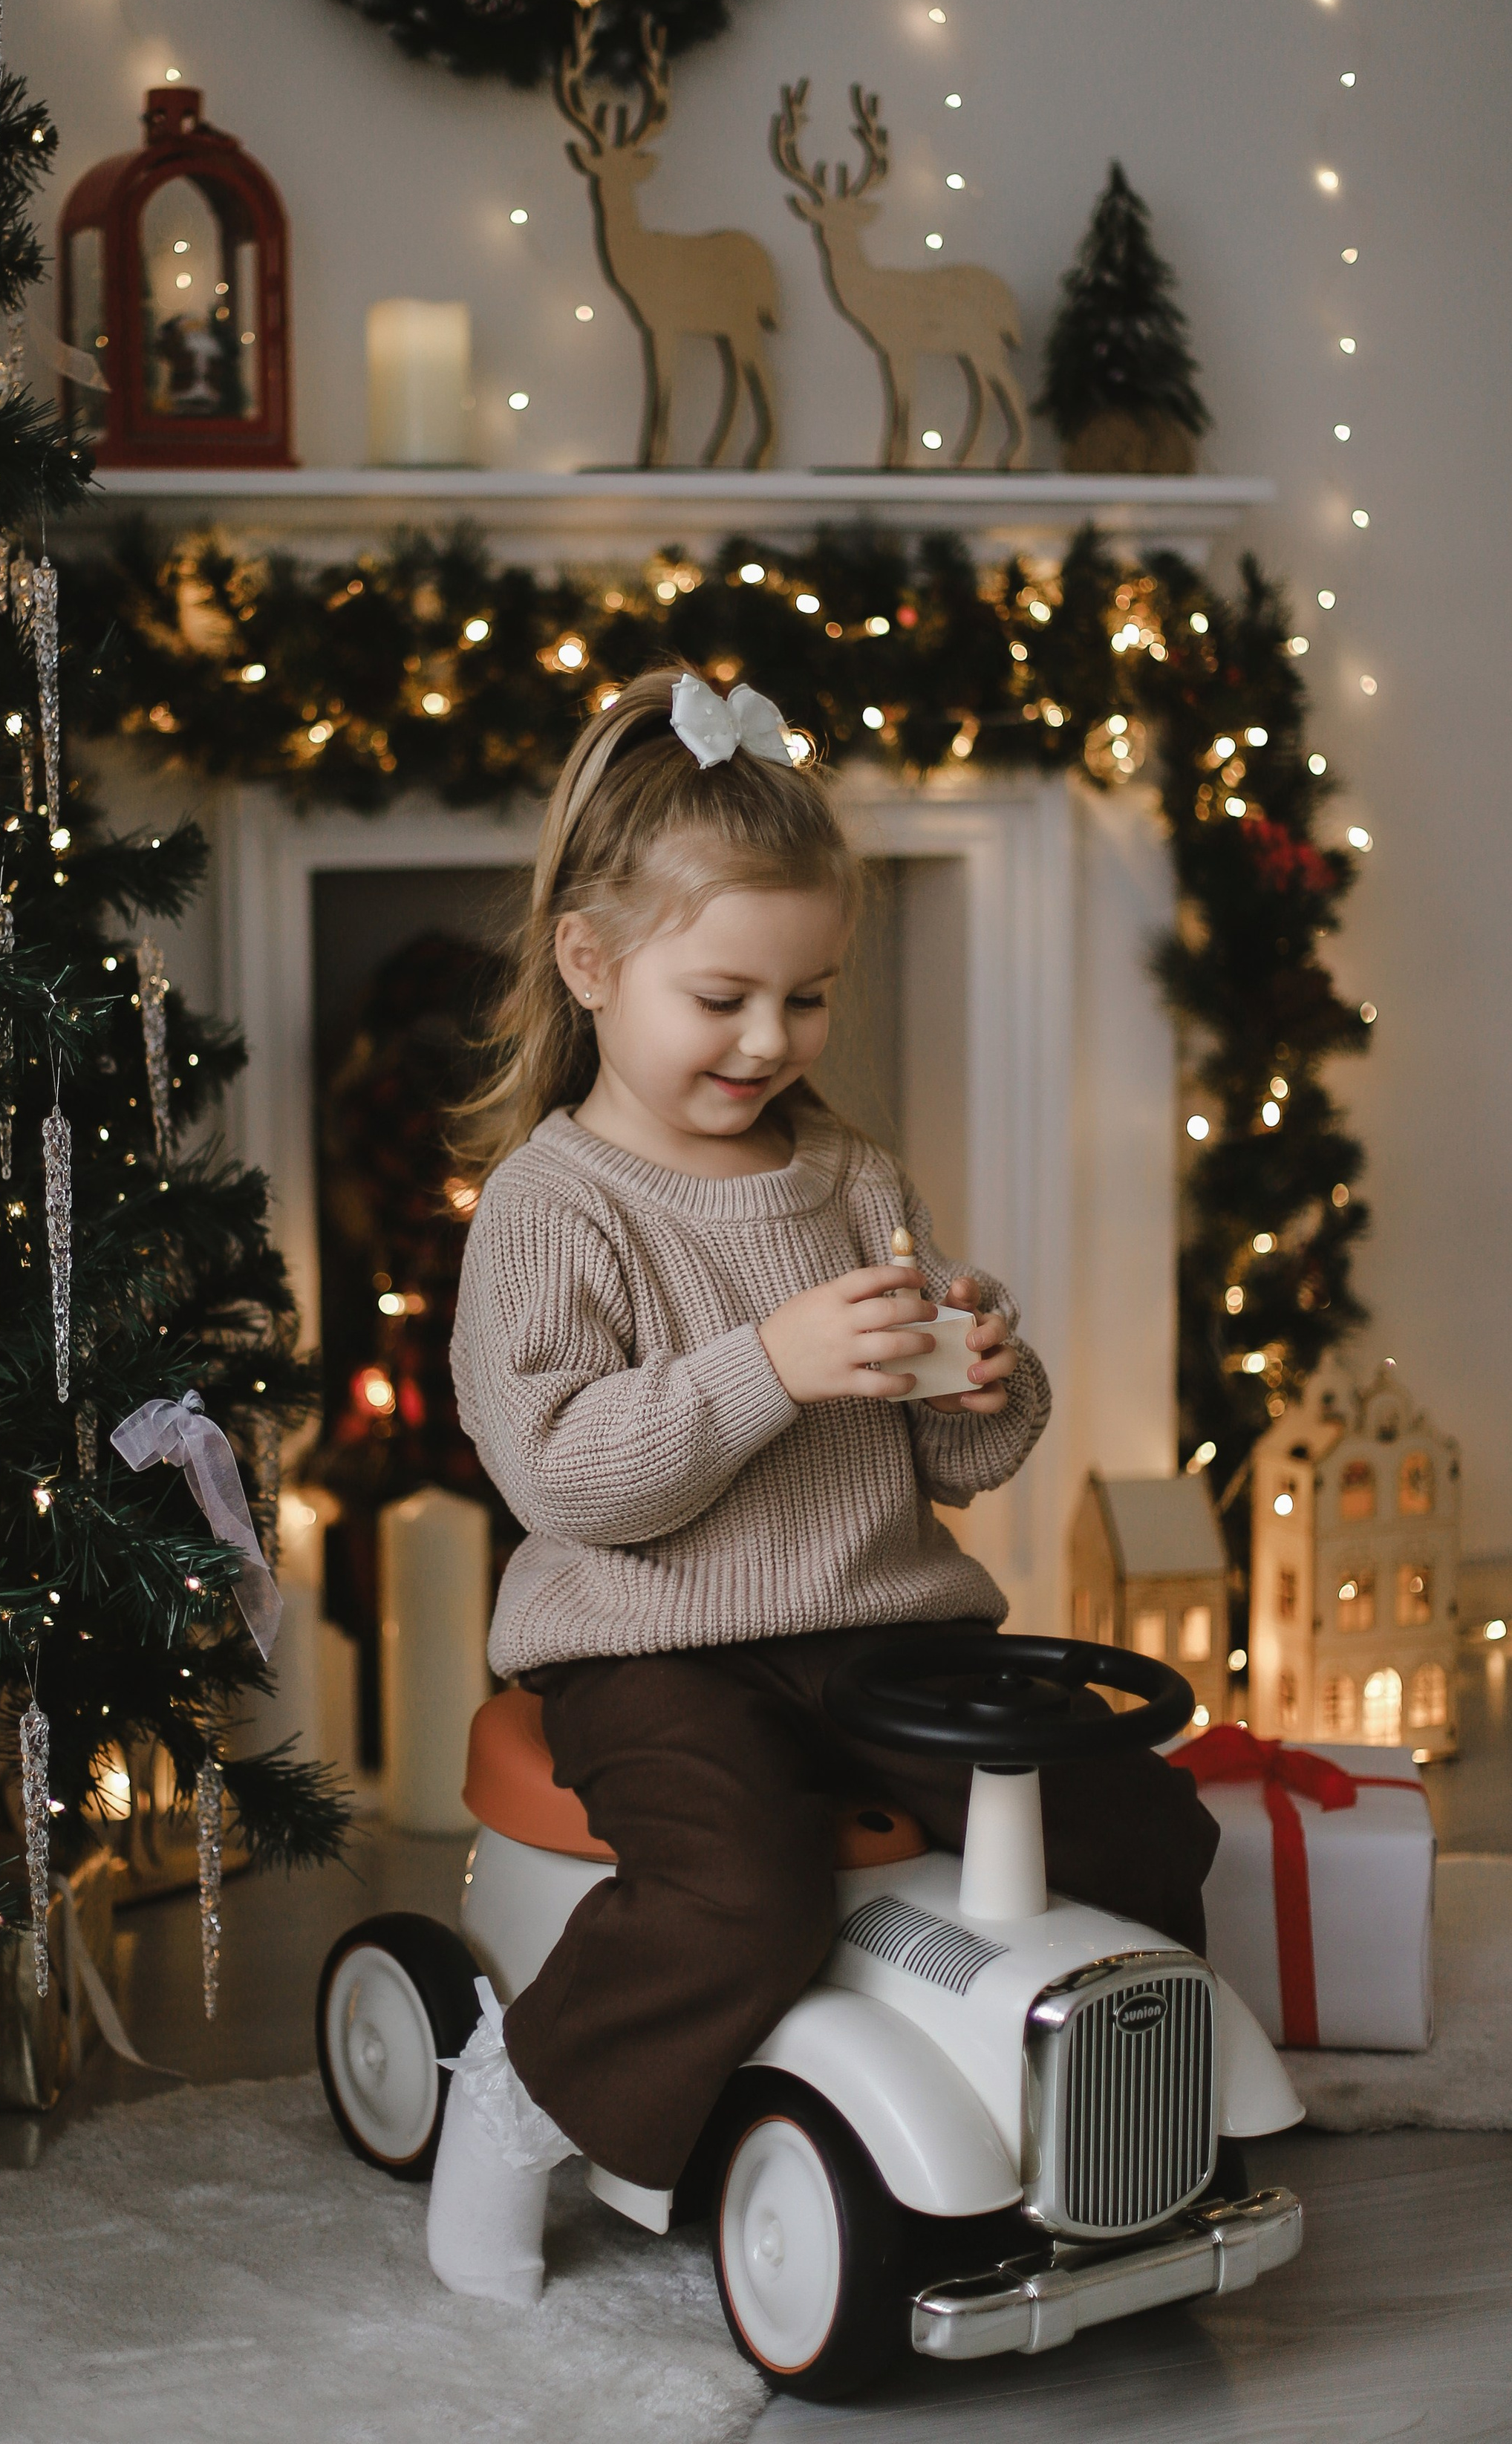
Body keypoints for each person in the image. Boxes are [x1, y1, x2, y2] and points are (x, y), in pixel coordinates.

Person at [426, 665, 1218, 2307]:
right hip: (647, 1643)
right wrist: (765, 1368)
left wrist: (983, 1374)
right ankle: (521, 2091)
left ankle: (1098, 2111)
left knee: (1137, 1816)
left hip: (873, 1629)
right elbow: (571, 1481)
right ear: (591, 963)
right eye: (720, 998)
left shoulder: (850, 1177)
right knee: (741, 1891)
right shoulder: (550, 1208)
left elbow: (960, 1466)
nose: (767, 1042)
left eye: (806, 998)